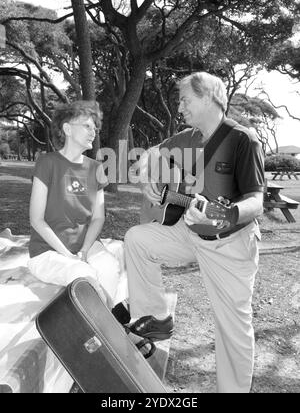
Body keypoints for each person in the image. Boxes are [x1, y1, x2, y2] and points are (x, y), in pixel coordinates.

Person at [124, 72, 265, 393]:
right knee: (138, 239)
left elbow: (256, 200)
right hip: (190, 233)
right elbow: (153, 151)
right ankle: (157, 318)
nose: (180, 106)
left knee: (233, 328)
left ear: (208, 98)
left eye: (185, 99)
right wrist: (148, 171)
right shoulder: (189, 138)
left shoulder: (243, 140)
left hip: (230, 242)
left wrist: (231, 213)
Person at [27, 101, 127, 309]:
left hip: (86, 247)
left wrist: (84, 250)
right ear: (67, 129)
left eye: (95, 128)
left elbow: (98, 217)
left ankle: (108, 326)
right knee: (83, 274)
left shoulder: (97, 168)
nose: (93, 132)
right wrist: (68, 256)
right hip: (48, 253)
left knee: (109, 268)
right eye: (87, 126)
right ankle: (113, 325)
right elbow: (37, 219)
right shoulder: (47, 163)